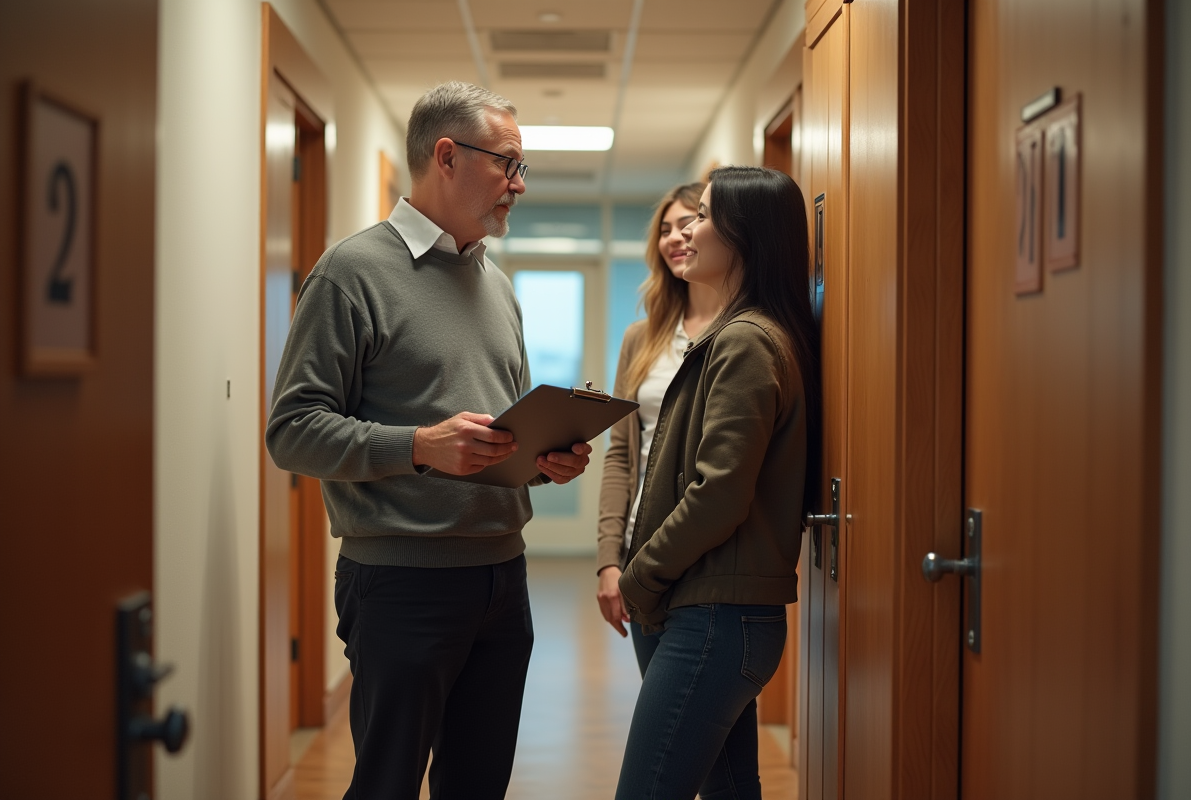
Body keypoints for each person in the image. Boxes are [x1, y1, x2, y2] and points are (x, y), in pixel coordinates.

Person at [265, 81, 592, 800]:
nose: (518, 184)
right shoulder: (351, 274)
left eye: (521, 168)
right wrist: (417, 445)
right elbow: (291, 432)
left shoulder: (496, 284)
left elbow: (494, 434)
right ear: (446, 155)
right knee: (386, 785)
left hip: (503, 578)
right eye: (508, 163)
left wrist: (544, 461)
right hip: (401, 582)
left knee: (477, 787)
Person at [614, 166, 822, 800]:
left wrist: (639, 573)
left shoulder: (746, 343)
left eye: (701, 216)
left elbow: (719, 492)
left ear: (743, 235)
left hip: (712, 614)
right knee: (731, 789)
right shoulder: (746, 334)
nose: (686, 233)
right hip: (707, 605)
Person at [595, 182, 723, 675]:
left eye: (687, 222)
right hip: (640, 559)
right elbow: (621, 455)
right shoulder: (641, 338)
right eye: (664, 229)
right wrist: (611, 559)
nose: (674, 237)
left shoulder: (741, 332)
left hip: (709, 564)